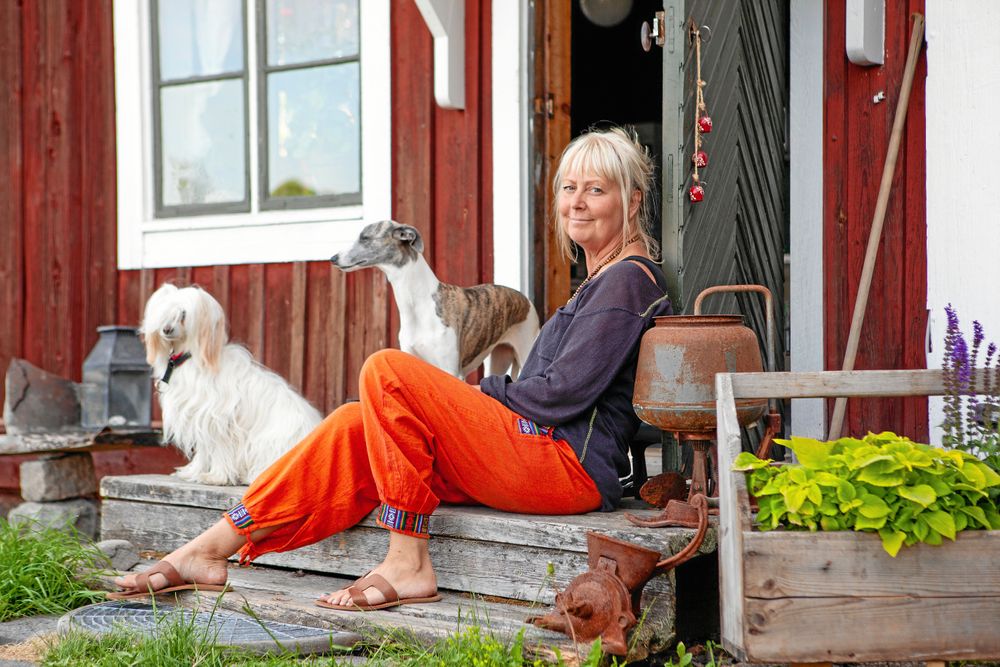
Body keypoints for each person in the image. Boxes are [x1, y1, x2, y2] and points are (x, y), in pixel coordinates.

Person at [111, 126, 673, 611]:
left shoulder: (627, 280)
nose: (576, 202)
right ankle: (208, 550)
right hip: (536, 451)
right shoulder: (600, 281)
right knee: (355, 423)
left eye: (595, 189)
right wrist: (468, 406)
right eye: (569, 188)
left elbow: (559, 394)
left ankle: (408, 560)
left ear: (631, 200)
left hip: (567, 466)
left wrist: (478, 396)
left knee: (388, 370)